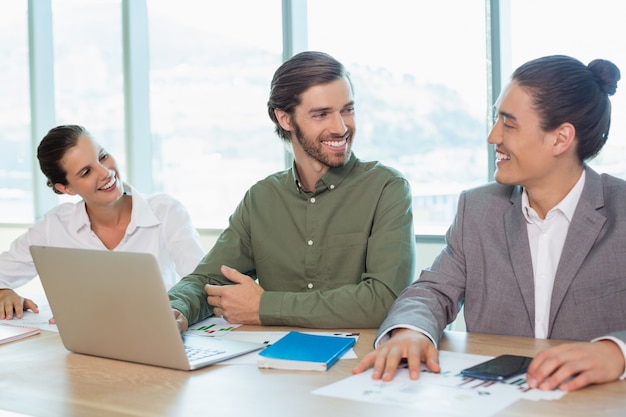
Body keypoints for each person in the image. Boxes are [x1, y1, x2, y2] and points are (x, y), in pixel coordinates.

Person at [353, 55, 626, 392]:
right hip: (496, 400)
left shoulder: (621, 210)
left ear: (560, 138)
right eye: (496, 120)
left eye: (508, 124)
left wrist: (616, 351)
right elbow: (432, 291)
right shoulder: (478, 209)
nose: (493, 136)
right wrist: (410, 330)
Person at [168, 51, 416, 331]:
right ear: (285, 119)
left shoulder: (386, 188)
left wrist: (264, 307)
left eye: (347, 109)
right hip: (274, 365)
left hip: (360, 365)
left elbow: (382, 301)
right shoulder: (261, 199)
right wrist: (175, 308)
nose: (341, 127)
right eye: (322, 114)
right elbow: (209, 280)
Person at [0, 124, 205, 319]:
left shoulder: (166, 211)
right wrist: (3, 293)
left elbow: (200, 284)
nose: (105, 173)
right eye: (86, 172)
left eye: (103, 156)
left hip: (155, 335)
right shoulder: (54, 225)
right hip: (83, 346)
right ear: (66, 188)